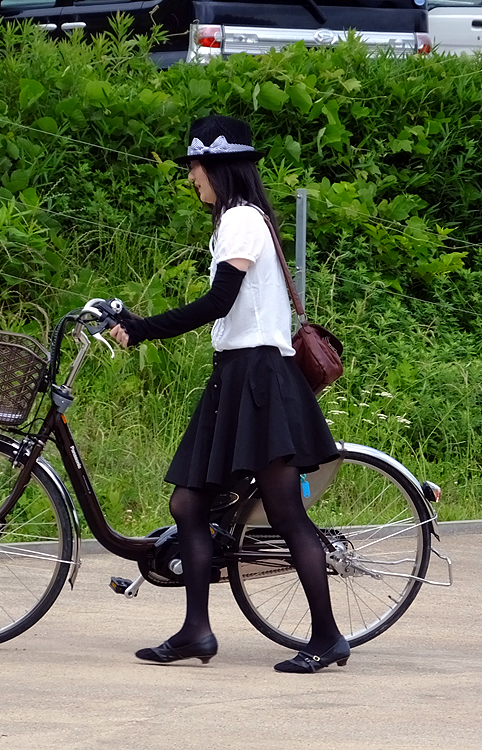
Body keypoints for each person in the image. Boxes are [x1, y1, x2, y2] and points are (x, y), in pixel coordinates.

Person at [109, 115, 348, 674]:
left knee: (288, 516)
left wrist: (143, 327)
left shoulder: (242, 220)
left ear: (218, 165)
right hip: (237, 375)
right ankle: (196, 630)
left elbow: (219, 302)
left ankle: (328, 637)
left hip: (260, 380)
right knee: (188, 504)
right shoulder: (236, 223)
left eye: (196, 166)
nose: (192, 177)